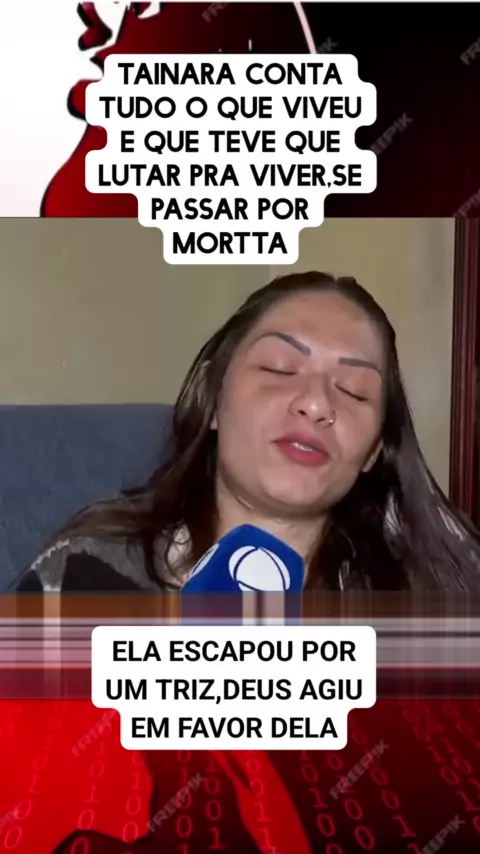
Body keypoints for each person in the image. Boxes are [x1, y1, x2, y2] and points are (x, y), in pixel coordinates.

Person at [17, 271, 480, 594]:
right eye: (279, 368)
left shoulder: (432, 599)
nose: (317, 403)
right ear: (213, 399)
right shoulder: (89, 575)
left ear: (374, 451)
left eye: (354, 390)